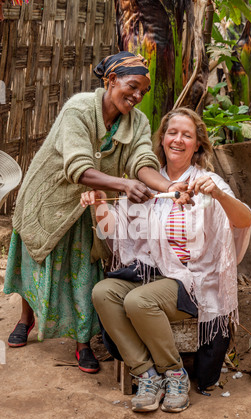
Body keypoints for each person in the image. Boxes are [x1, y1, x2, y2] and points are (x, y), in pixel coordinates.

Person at [3, 52, 190, 374]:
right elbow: (78, 166)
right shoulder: (78, 109)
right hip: (50, 197)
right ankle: (26, 318)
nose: (137, 96)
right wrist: (123, 183)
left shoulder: (139, 122)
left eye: (143, 92)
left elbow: (142, 160)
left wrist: (171, 188)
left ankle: (82, 343)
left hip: (91, 206)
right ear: (110, 81)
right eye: (132, 86)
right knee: (37, 262)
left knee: (85, 273)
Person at [80, 107, 251, 412]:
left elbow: (244, 220)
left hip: (192, 281)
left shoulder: (207, 182)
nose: (178, 139)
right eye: (172, 133)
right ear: (162, 140)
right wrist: (97, 202)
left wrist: (222, 196)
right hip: (152, 275)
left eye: (187, 135)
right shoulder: (148, 182)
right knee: (103, 293)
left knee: (138, 301)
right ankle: (146, 374)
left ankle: (175, 374)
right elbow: (114, 233)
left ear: (197, 144)